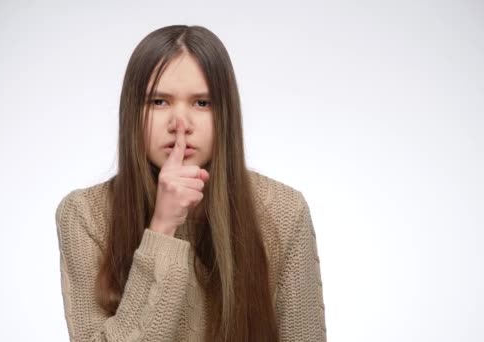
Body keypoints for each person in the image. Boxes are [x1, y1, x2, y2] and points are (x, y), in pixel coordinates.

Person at [55, 24, 327, 341]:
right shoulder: (85, 214)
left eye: (202, 103)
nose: (179, 124)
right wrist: (162, 228)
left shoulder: (284, 210)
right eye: (158, 102)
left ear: (226, 113)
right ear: (132, 111)